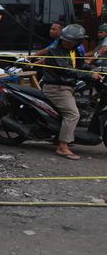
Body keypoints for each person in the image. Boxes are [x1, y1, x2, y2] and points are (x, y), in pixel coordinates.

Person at [42, 24, 92, 160]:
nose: (67, 43)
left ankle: (63, 136)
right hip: (57, 88)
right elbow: (66, 70)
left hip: (68, 87)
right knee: (72, 114)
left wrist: (95, 69)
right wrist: (89, 75)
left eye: (70, 42)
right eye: (65, 40)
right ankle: (62, 147)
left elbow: (80, 65)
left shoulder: (75, 51)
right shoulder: (54, 50)